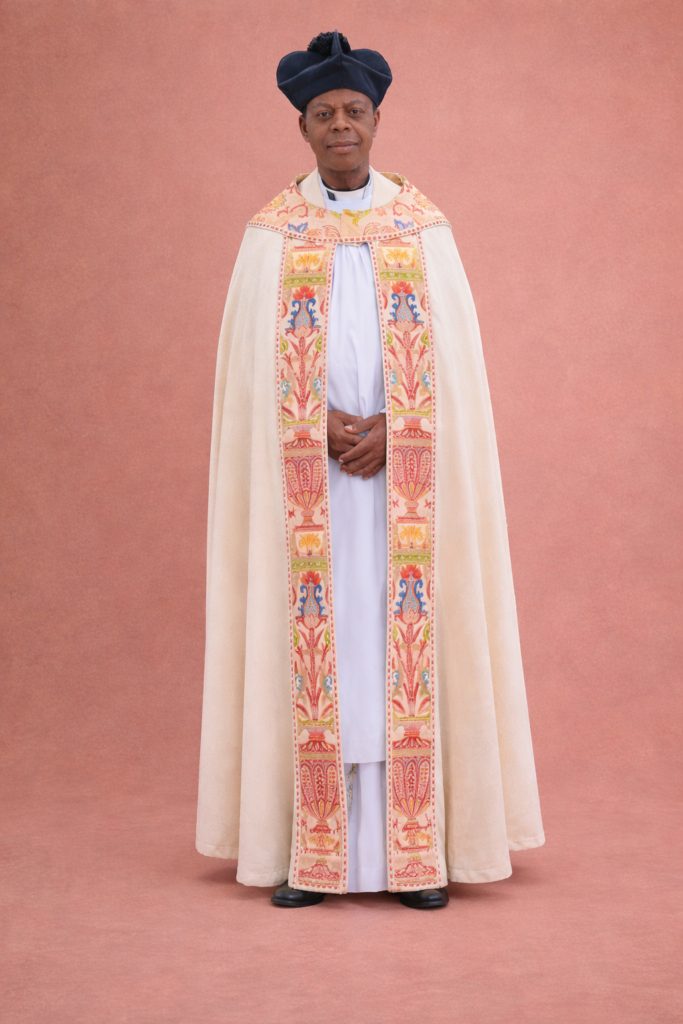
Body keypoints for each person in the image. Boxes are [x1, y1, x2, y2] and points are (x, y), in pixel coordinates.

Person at [196, 30, 544, 909]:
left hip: (403, 488)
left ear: (377, 120)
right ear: (303, 129)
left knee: (398, 654)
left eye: (354, 111)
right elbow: (246, 376)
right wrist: (307, 424)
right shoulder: (270, 236)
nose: (340, 125)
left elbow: (457, 372)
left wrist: (404, 426)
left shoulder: (421, 229)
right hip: (306, 489)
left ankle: (413, 855)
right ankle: (308, 852)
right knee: (322, 649)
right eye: (324, 114)